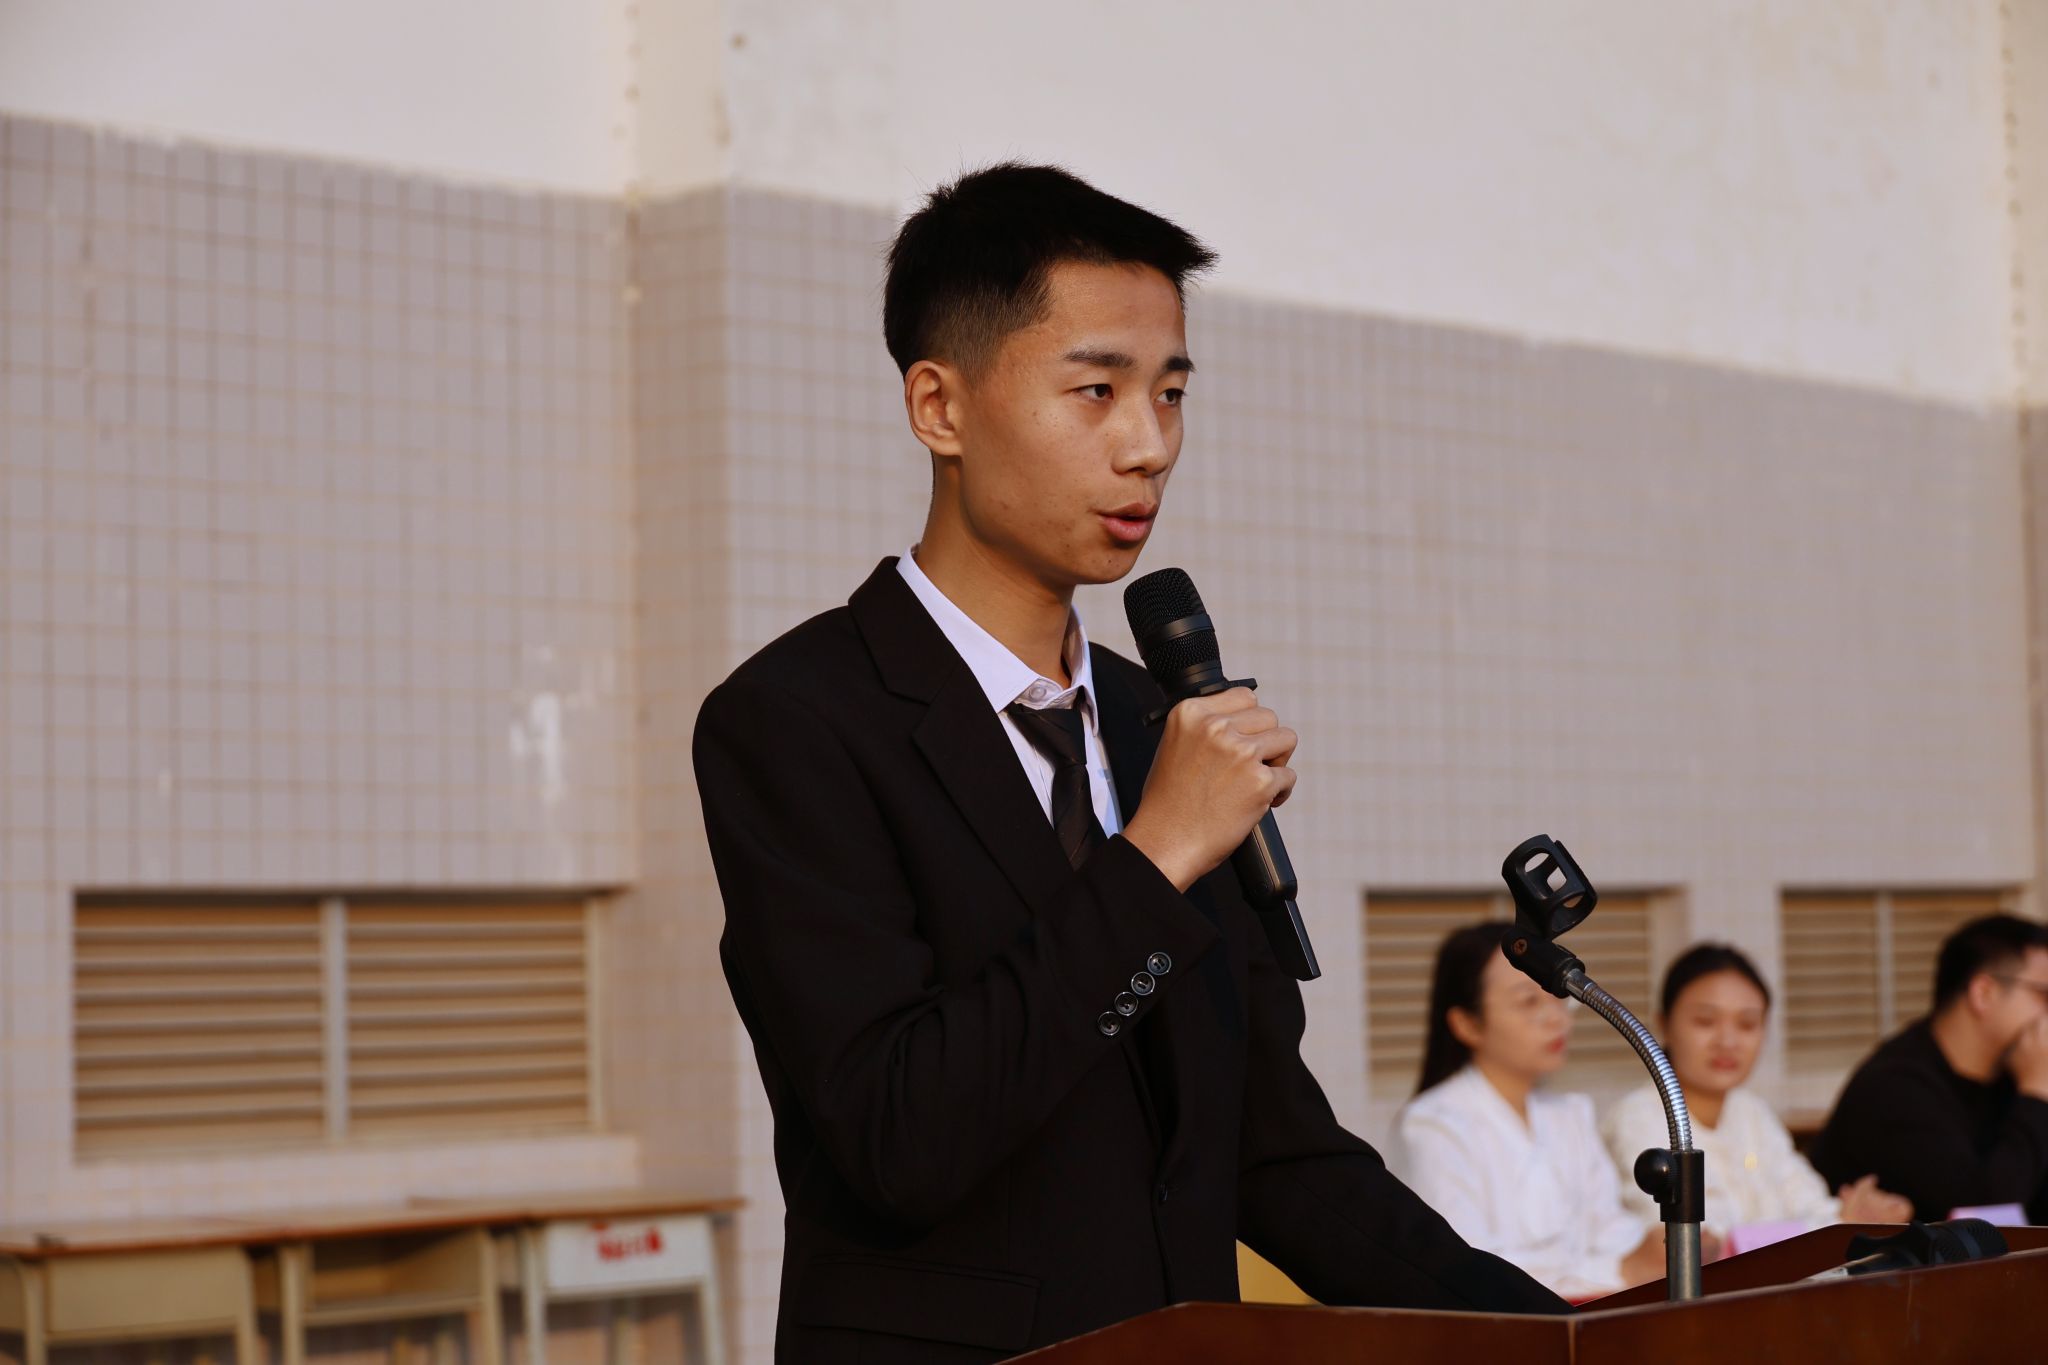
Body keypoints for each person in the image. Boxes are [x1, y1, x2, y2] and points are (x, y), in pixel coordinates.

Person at [692, 164, 1568, 1362]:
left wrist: (1571, 1338)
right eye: (1095, 390)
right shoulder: (794, 721)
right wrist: (1155, 855)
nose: (1149, 446)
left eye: (1170, 394)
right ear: (939, 407)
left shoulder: (1160, 721)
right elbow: (896, 1138)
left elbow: (1275, 1154)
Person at [1393, 923, 1663, 1301]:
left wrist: (1656, 1245)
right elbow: (1468, 1267)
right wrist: (1619, 1271)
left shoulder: (1569, 1114)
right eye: (1528, 1002)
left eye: (1557, 999)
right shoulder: (1433, 1125)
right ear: (1467, 1024)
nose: (1557, 1019)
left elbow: (1609, 1229)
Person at [1601, 944, 1911, 1244]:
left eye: (1747, 1024)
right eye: (1705, 1021)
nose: (1728, 1041)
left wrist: (1855, 1215)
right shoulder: (1636, 1119)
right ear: (1663, 1025)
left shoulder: (1752, 1112)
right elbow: (1697, 1244)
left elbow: (1810, 1201)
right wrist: (1837, 1222)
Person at [1812, 914, 2048, 1222]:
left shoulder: (2012, 1076)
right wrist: (2037, 1092)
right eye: (2044, 994)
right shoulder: (1894, 1086)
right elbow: (1984, 1218)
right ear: (1983, 993)